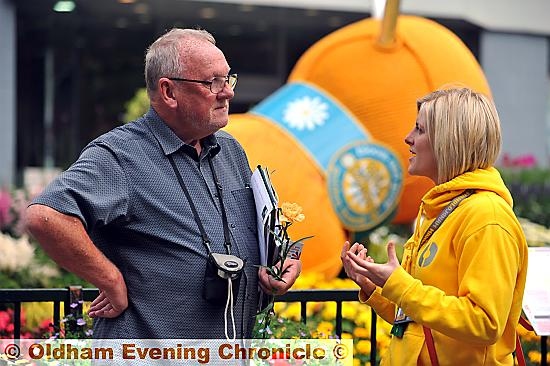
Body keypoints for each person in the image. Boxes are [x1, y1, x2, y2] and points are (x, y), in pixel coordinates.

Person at [25, 28, 301, 339]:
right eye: (213, 82)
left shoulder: (230, 149)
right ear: (168, 92)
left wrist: (282, 262)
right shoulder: (120, 154)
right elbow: (45, 216)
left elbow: (254, 229)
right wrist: (109, 279)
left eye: (228, 79)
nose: (228, 92)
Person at [341, 87, 528, 365]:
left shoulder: (487, 216)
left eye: (420, 129)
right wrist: (375, 287)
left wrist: (401, 286)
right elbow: (418, 318)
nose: (408, 138)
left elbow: (484, 323)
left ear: (449, 141)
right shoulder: (442, 208)